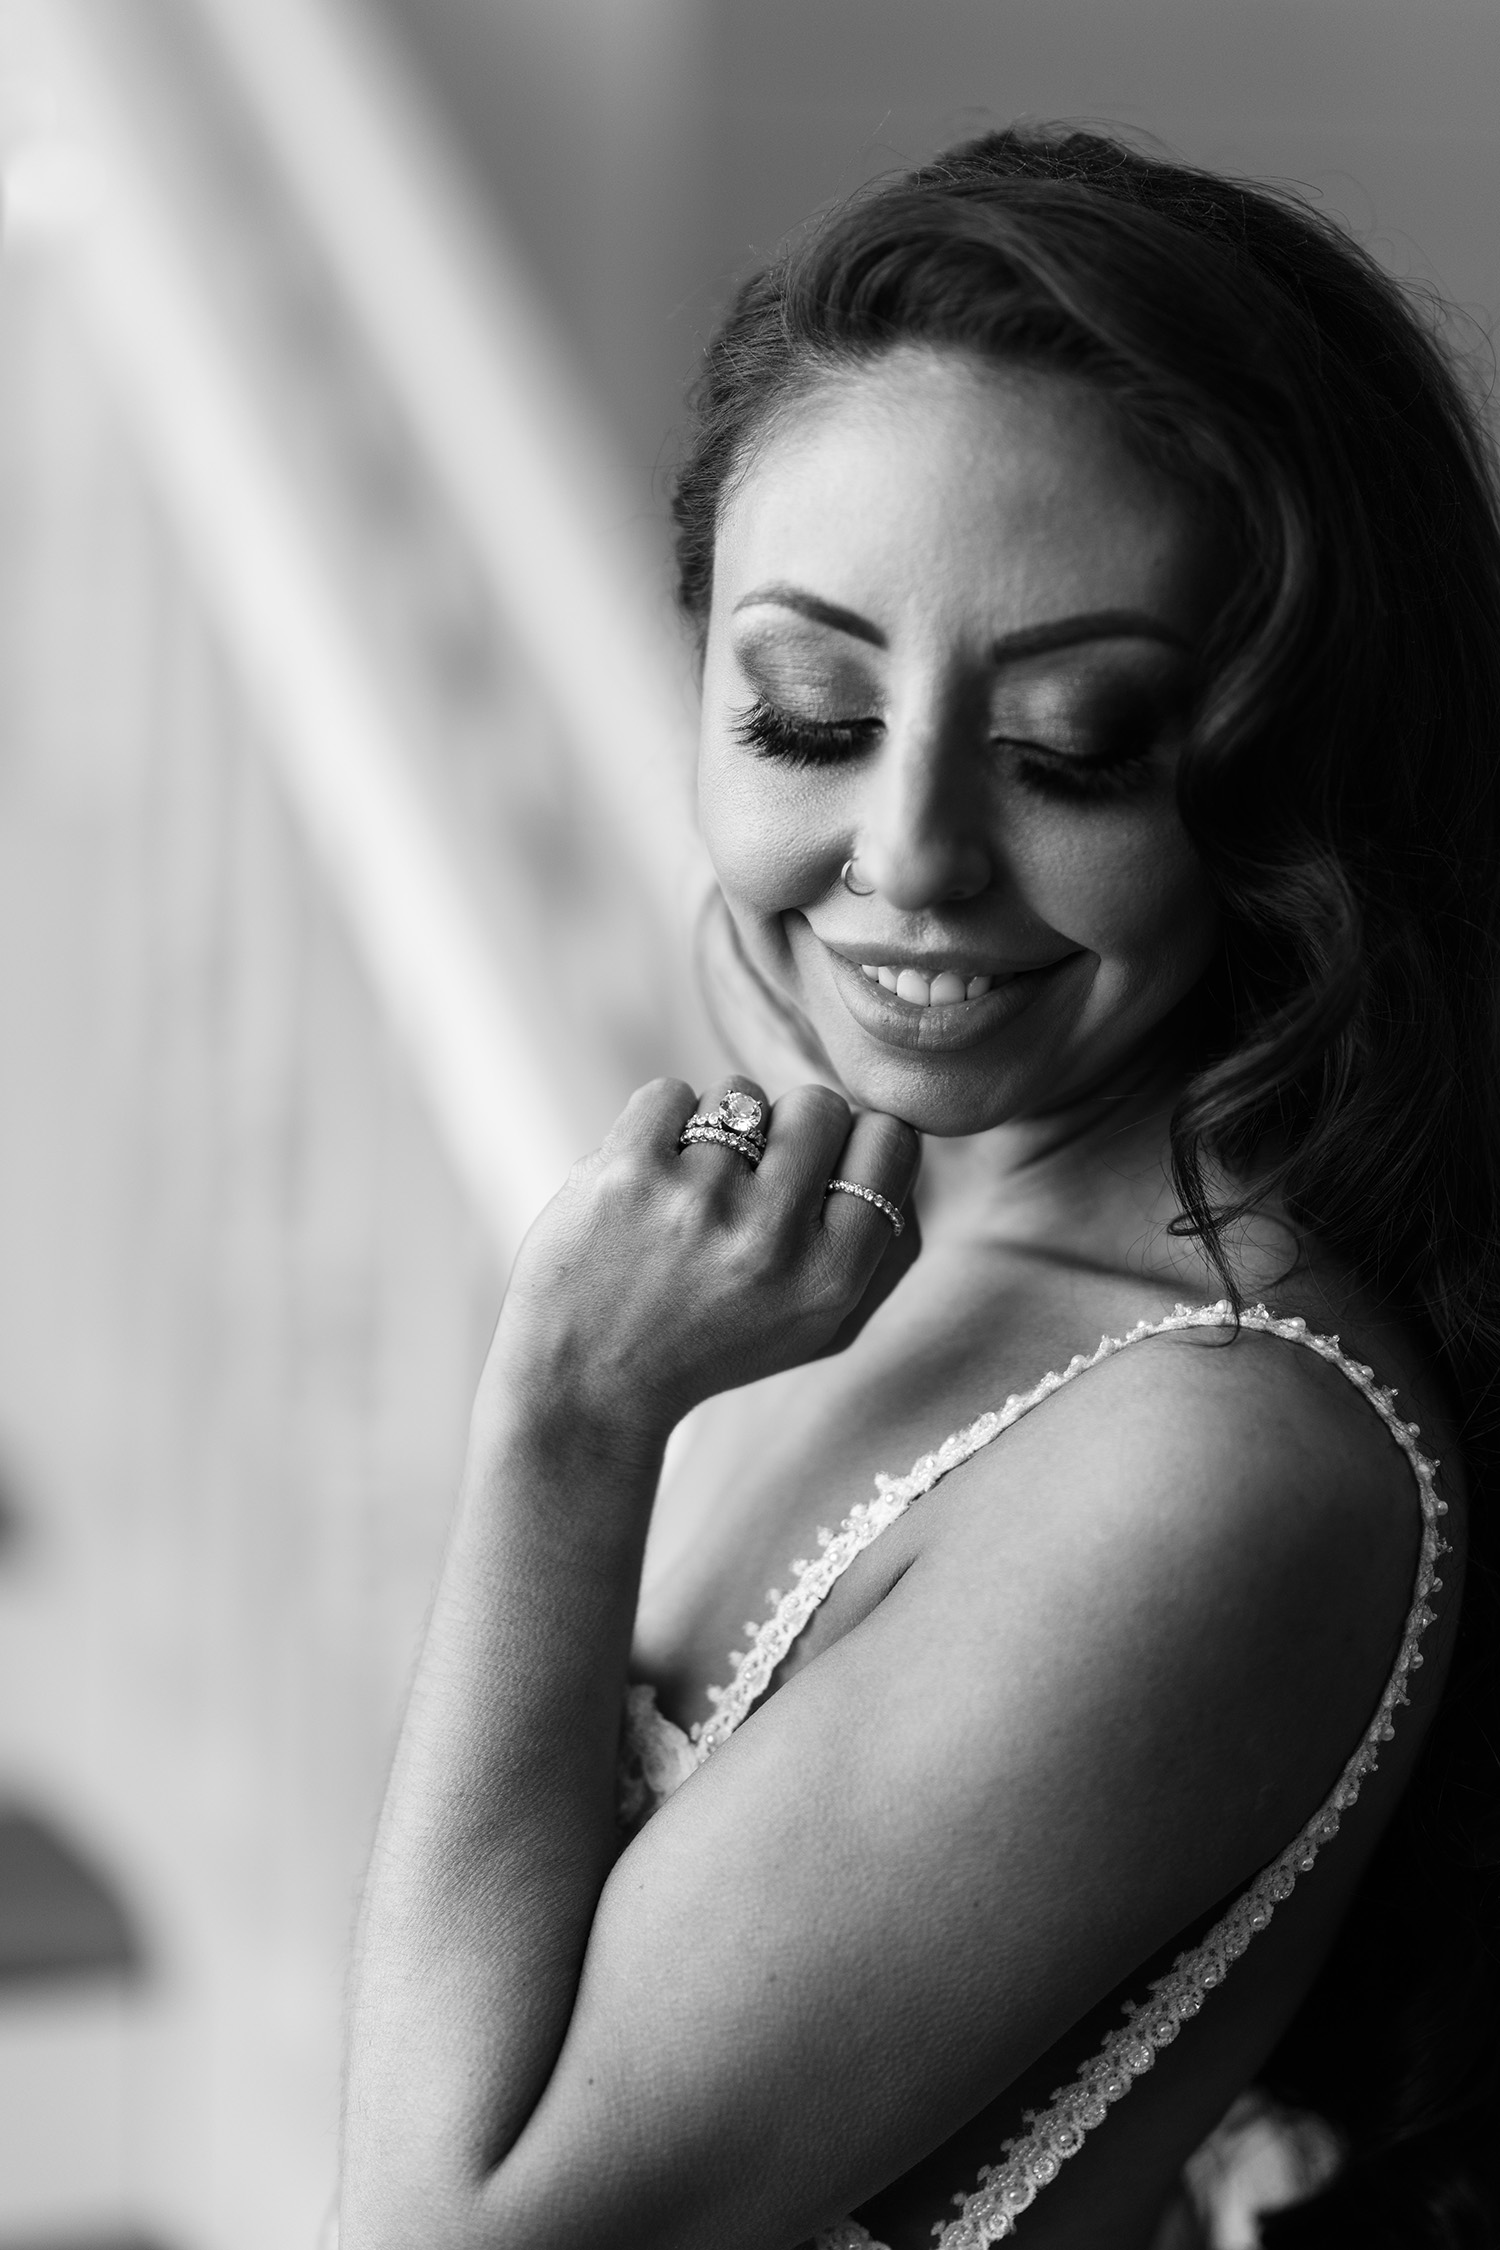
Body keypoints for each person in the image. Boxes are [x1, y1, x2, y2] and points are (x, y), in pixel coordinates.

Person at [338, 129, 1500, 2249]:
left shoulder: (1215, 1465)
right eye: (810, 714)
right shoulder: (852, 1264)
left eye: (1071, 752)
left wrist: (566, 1431)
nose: (912, 852)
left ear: (1301, 781)